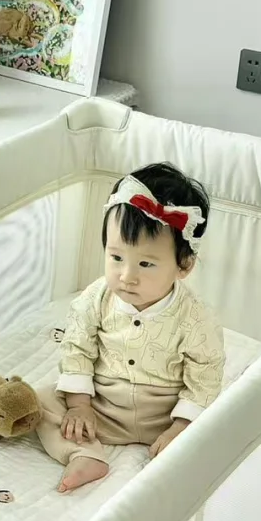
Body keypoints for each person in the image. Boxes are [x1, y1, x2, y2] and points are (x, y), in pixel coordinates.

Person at [36, 163, 225, 493]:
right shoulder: (96, 298)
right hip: (101, 407)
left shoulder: (195, 317)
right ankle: (84, 453)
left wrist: (181, 425)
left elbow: (205, 372)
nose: (127, 276)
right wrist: (79, 406)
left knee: (218, 425)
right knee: (40, 400)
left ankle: (174, 451)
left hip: (164, 414)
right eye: (116, 257)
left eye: (146, 263)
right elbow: (77, 347)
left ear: (184, 265)